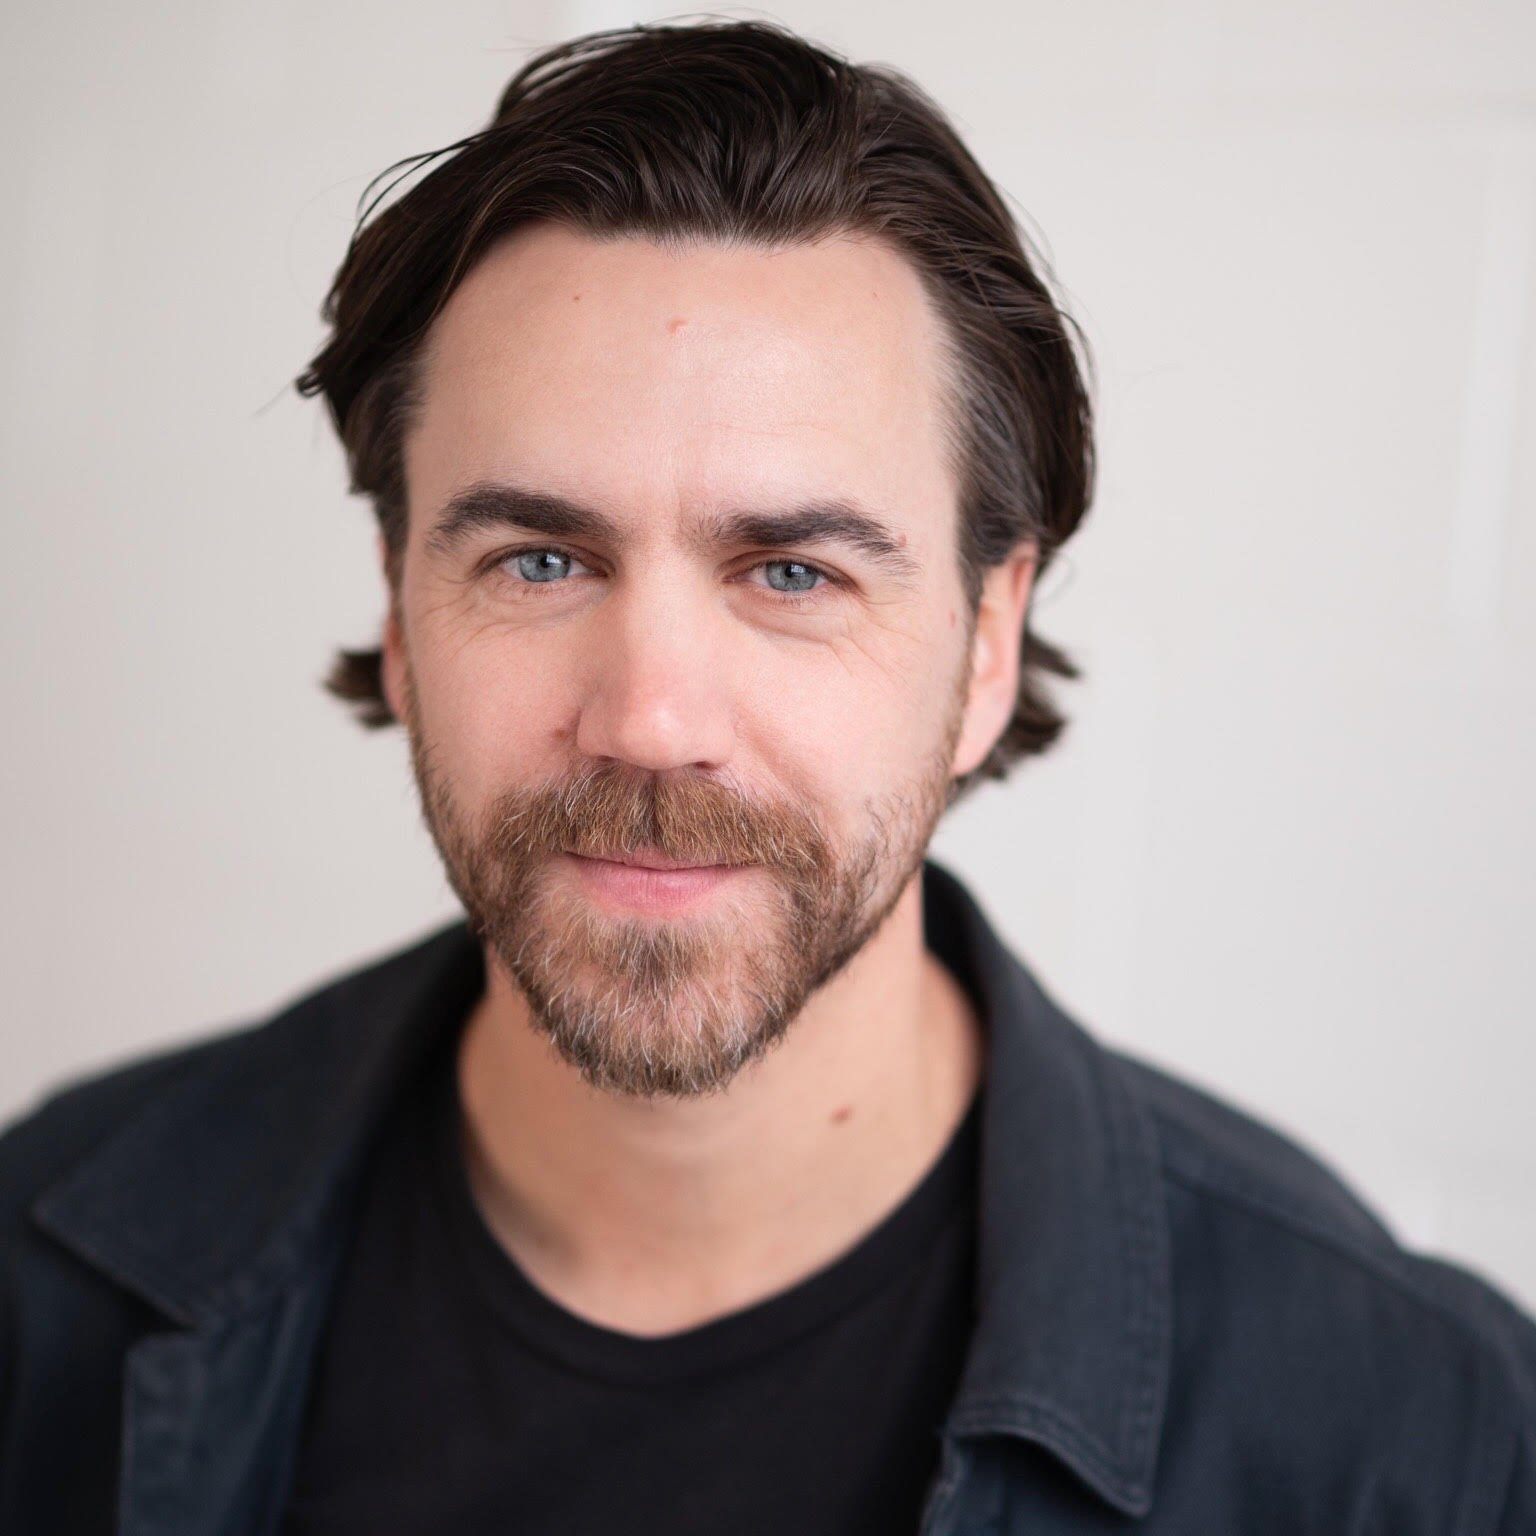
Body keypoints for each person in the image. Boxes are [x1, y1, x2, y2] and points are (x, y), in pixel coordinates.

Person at [1, 19, 1532, 1535]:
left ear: (987, 645)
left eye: (792, 573)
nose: (653, 719)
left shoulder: (1420, 1445)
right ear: (402, 609)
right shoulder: (43, 1271)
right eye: (539, 559)